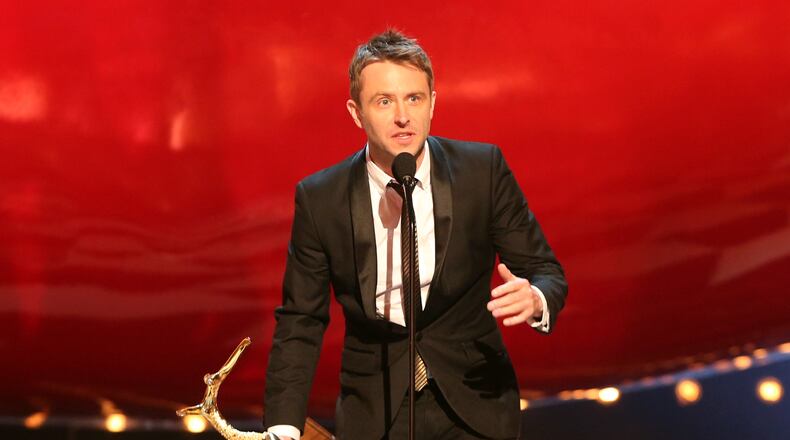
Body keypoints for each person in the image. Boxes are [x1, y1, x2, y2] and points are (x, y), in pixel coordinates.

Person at [264, 29, 567, 440]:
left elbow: (546, 272)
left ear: (433, 104)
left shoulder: (482, 171)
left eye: (414, 98)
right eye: (384, 101)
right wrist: (282, 427)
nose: (402, 116)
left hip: (475, 403)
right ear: (356, 112)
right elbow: (301, 318)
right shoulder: (321, 199)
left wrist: (535, 299)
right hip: (377, 412)